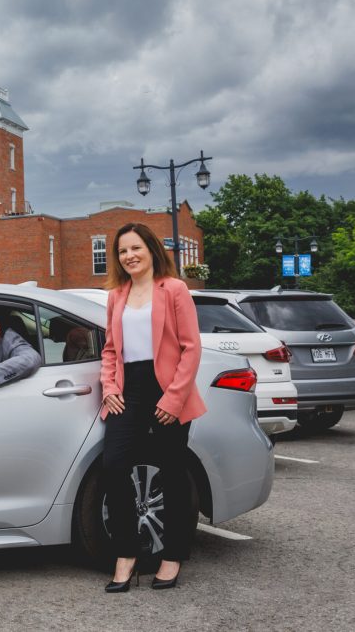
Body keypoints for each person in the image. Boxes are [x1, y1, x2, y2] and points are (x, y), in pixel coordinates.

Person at [99, 222, 205, 592]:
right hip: (129, 388)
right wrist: (109, 386)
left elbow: (192, 348)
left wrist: (174, 398)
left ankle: (172, 555)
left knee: (172, 472)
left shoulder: (174, 289)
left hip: (167, 387)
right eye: (123, 251)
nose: (129, 256)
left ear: (151, 249)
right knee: (113, 465)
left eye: (135, 248)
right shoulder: (116, 295)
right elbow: (111, 349)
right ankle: (126, 554)